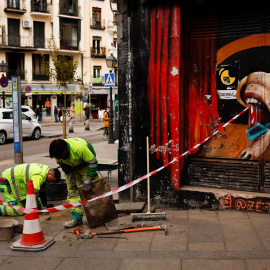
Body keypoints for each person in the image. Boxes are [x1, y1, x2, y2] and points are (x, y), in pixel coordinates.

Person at [49, 138, 98, 228]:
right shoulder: (58, 153)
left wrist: (89, 178)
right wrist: (68, 172)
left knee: (93, 189)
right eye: (57, 157)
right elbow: (62, 164)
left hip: (86, 164)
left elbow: (93, 162)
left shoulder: (79, 149)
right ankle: (77, 218)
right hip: (71, 167)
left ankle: (98, 216)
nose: (58, 158)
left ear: (65, 150)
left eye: (60, 156)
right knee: (73, 192)